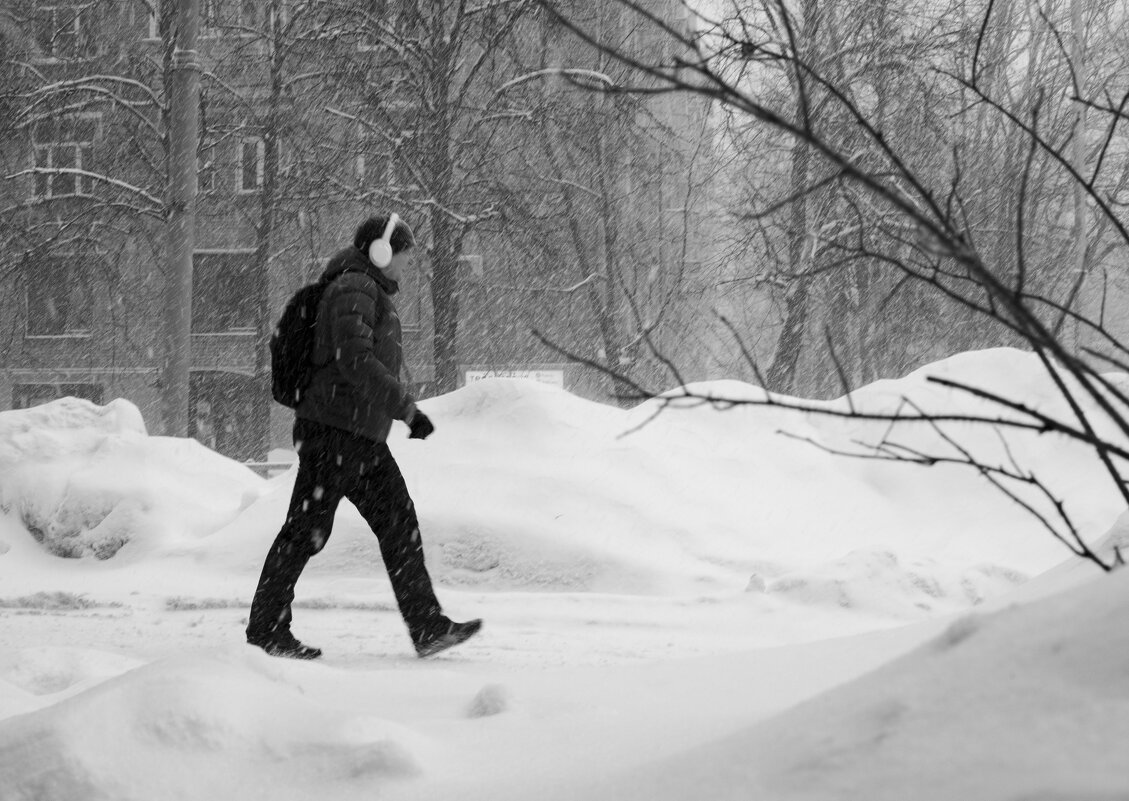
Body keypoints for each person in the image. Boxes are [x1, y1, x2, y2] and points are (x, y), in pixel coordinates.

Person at [246, 213, 482, 660]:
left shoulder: (364, 289)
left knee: (397, 525)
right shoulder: (354, 287)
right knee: (307, 531)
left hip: (354, 435)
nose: (407, 269)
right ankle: (266, 630)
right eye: (404, 259)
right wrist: (406, 409)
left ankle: (427, 626)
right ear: (381, 252)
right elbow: (354, 359)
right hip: (335, 432)